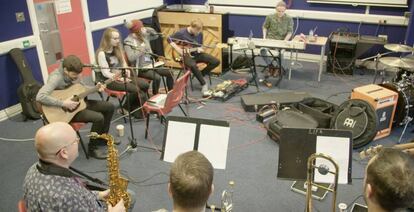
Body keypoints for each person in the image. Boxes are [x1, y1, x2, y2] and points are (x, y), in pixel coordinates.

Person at [23, 122, 130, 211]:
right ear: (63, 153)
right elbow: (71, 198)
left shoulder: (33, 169)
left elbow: (77, 194)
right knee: (130, 196)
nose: (78, 141)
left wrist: (98, 194)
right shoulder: (64, 196)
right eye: (75, 140)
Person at [36, 55, 115, 159]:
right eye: (73, 75)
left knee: (109, 107)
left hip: (79, 104)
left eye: (78, 74)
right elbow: (40, 96)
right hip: (64, 112)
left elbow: (81, 89)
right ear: (65, 70)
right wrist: (63, 103)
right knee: (98, 117)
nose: (76, 77)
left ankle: (101, 138)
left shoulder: (76, 74)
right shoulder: (56, 77)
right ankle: (92, 148)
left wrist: (96, 88)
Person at [95, 27, 148, 119]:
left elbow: (124, 63)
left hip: (120, 76)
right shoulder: (101, 53)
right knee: (136, 90)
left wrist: (126, 70)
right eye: (115, 39)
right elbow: (105, 73)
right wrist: (120, 77)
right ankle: (125, 108)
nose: (118, 41)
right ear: (107, 39)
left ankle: (134, 107)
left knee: (144, 85)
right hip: (109, 80)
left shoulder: (117, 49)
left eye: (118, 38)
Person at [168, 19, 220, 96]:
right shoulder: (181, 33)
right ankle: (203, 84)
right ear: (192, 27)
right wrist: (178, 49)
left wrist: (199, 49)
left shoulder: (200, 33)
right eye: (197, 31)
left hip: (196, 53)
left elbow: (199, 46)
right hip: (186, 55)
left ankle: (201, 74)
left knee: (216, 61)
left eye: (199, 31)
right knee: (193, 65)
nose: (198, 33)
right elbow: (169, 39)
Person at [124, 19, 174, 95]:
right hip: (141, 68)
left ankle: (171, 92)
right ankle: (155, 95)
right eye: (142, 27)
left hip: (151, 64)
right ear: (137, 30)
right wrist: (142, 49)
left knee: (169, 72)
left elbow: (156, 36)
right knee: (157, 77)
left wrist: (148, 29)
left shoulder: (144, 36)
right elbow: (131, 58)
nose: (143, 28)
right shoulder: (128, 41)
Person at [260, 1, 294, 87]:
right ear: (276, 9)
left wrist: (285, 41)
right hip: (270, 39)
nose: (280, 13)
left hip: (282, 41)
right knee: (262, 50)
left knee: (280, 53)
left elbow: (290, 32)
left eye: (282, 11)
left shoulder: (289, 18)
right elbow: (264, 27)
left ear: (285, 10)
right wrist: (264, 37)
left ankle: (278, 68)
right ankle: (271, 66)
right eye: (279, 11)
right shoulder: (270, 17)